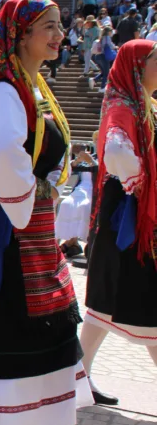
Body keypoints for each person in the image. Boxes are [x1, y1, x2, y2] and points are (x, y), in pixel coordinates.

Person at [0, 0, 111, 425]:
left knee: (51, 339)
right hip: (5, 236)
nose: (59, 34)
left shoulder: (33, 85)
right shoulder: (5, 90)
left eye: (60, 26)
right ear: (20, 33)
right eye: (48, 26)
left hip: (33, 233)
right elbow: (2, 152)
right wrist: (26, 205)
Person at [79, 40, 157, 403]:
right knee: (127, 299)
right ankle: (79, 377)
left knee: (108, 304)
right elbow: (115, 152)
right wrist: (140, 183)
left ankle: (79, 376)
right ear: (138, 65)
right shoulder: (123, 106)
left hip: (133, 217)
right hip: (126, 216)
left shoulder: (144, 105)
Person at [55, 144, 97, 258]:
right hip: (80, 189)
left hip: (93, 190)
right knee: (66, 203)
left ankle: (71, 243)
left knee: (84, 206)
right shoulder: (86, 157)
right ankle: (70, 242)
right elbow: (70, 168)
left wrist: (92, 161)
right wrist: (77, 161)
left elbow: (101, 173)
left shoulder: (101, 158)